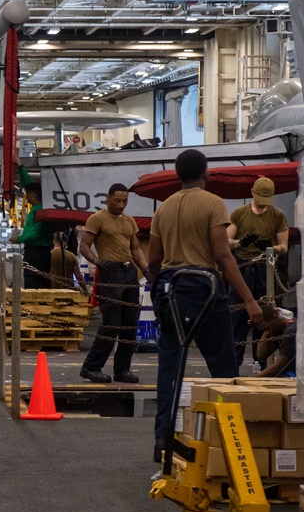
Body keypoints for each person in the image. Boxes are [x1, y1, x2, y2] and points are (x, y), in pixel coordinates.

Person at [147, 149, 263, 463]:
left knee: (169, 368)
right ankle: (232, 442)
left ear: (176, 173)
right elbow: (223, 256)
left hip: (170, 289)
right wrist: (250, 300)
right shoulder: (213, 203)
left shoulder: (164, 208)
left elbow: (153, 261)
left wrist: (156, 290)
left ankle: (162, 441)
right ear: (206, 172)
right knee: (223, 367)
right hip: (204, 288)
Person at [78, 184, 148, 384]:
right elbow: (84, 246)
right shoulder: (97, 219)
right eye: (117, 200)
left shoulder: (129, 221)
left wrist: (147, 269)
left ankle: (122, 370)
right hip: (111, 273)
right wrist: (98, 262)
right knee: (111, 324)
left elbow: (136, 250)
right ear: (107, 198)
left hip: (129, 272)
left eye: (125, 201)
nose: (121, 205)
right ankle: (92, 367)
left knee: (130, 325)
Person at [226, 176, 289, 367]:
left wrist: (270, 248)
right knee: (237, 318)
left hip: (265, 269)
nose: (262, 206)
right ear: (252, 193)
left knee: (265, 318)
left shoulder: (277, 215)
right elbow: (225, 242)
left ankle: (261, 362)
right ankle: (232, 365)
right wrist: (241, 243)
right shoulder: (239, 213)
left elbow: (284, 246)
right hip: (243, 268)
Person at [10, 181, 52, 288]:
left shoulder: (38, 211)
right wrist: (20, 166)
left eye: (27, 195)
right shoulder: (42, 208)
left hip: (35, 252)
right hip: (43, 251)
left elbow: (35, 234)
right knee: (43, 280)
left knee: (32, 279)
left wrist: (18, 239)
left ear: (31, 195)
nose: (27, 198)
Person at [252, 304, 296, 378]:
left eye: (268, 328)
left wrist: (251, 379)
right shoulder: (278, 328)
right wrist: (266, 331)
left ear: (276, 317)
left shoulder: (291, 331)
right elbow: (261, 355)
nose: (268, 332)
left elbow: (278, 367)